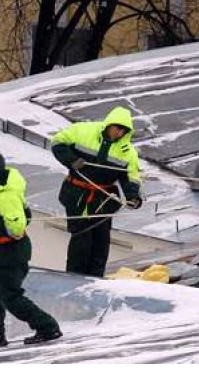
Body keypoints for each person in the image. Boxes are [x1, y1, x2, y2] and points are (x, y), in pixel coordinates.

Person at [0, 151, 62, 352]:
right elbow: (24, 216)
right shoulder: (3, 186)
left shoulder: (4, 193)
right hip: (0, 251)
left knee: (10, 296)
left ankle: (47, 327)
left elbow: (16, 228)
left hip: (11, 251)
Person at [51, 106, 143, 277]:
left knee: (101, 244)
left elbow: (131, 177)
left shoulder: (127, 153)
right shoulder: (83, 131)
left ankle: (95, 282)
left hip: (103, 200)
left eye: (124, 130)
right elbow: (57, 142)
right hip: (77, 195)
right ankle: (74, 280)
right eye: (117, 128)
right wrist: (72, 161)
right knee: (82, 242)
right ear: (109, 124)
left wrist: (133, 196)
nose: (120, 133)